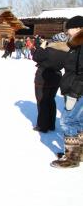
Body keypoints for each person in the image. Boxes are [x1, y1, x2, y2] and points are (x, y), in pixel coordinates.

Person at [51, 16, 83, 168]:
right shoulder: (76, 45)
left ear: (77, 28)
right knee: (78, 121)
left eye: (69, 28)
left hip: (76, 90)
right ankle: (78, 153)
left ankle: (71, 158)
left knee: (67, 121)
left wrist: (74, 92)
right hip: (77, 88)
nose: (67, 32)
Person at [32, 32, 68, 133]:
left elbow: (36, 57)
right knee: (51, 100)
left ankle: (42, 126)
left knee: (42, 101)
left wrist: (41, 47)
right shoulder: (66, 52)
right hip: (56, 77)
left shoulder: (48, 50)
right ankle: (51, 124)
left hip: (43, 77)